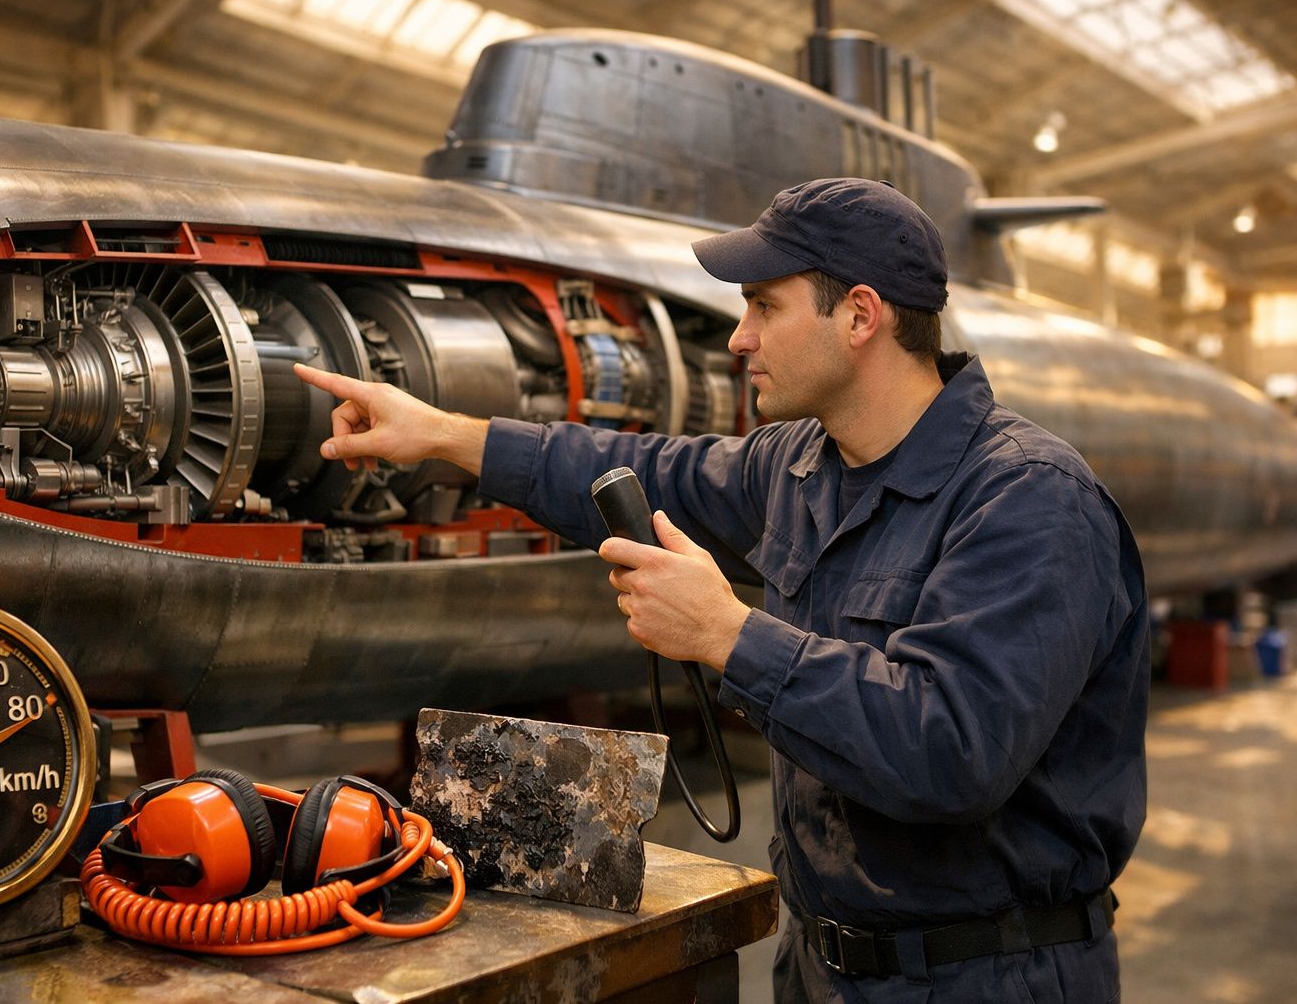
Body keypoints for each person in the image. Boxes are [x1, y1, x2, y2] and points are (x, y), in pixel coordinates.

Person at [293, 177, 1148, 1003]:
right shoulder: (802, 464)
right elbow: (639, 470)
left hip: (990, 978)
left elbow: (951, 752)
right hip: (820, 965)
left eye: (764, 307)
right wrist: (447, 436)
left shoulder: (1027, 497)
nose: (739, 338)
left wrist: (729, 634)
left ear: (860, 315)